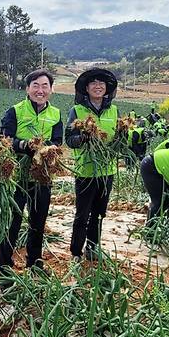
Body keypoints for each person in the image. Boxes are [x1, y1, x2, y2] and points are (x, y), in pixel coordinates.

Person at [0, 69, 63, 278]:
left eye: (45, 86)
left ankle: (35, 264)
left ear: (51, 90)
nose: (40, 90)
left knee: (38, 221)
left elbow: (58, 141)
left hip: (42, 176)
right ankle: (4, 265)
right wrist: (24, 145)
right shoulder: (15, 111)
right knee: (12, 221)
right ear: (27, 89)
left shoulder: (56, 114)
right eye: (35, 85)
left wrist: (47, 149)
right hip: (17, 176)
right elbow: (4, 140)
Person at [65, 68, 119, 262]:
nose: (98, 86)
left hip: (107, 170)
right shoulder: (77, 111)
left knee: (99, 214)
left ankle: (93, 248)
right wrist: (83, 138)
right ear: (86, 88)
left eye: (102, 84)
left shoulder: (113, 110)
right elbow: (69, 139)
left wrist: (122, 139)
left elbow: (117, 137)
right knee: (82, 214)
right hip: (86, 171)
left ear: (107, 89)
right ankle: (76, 252)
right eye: (94, 83)